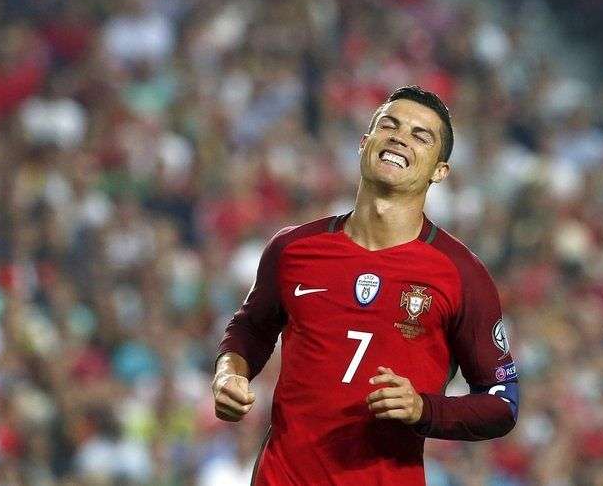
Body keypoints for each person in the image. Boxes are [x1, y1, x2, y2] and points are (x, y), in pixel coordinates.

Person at [213, 86, 519, 485]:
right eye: (388, 125)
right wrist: (228, 374)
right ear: (363, 144)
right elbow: (250, 329)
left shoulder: (461, 273)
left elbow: (502, 402)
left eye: (419, 135)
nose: (399, 137)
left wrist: (424, 410)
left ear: (439, 171)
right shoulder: (293, 249)